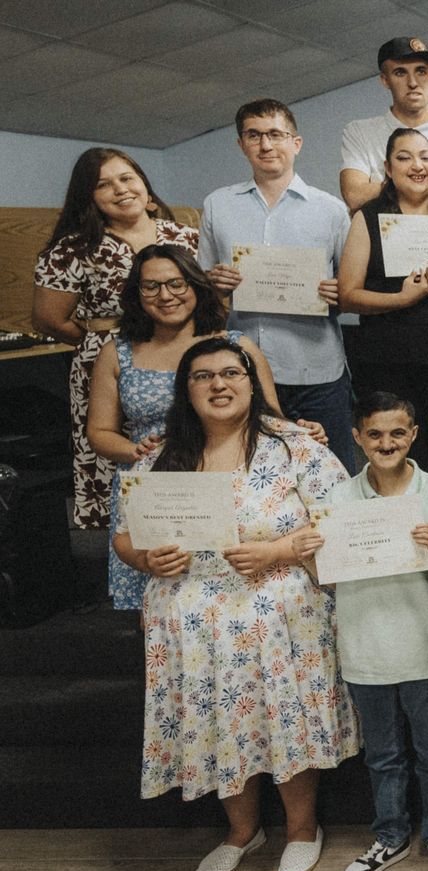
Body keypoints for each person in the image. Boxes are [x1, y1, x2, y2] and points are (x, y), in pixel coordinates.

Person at [112, 337, 355, 871]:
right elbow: (125, 539)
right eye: (202, 376)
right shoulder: (158, 455)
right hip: (191, 616)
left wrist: (276, 550)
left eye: (230, 373)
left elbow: (342, 523)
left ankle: (300, 829)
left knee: (284, 718)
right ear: (186, 390)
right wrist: (148, 558)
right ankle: (242, 832)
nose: (218, 385)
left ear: (252, 382)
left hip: (276, 607)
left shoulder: (296, 447)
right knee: (217, 720)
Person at [90, 246, 284, 611]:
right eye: (151, 287)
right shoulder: (117, 352)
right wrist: (134, 452)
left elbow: (271, 417)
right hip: (156, 485)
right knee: (160, 599)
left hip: (226, 477)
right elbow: (99, 431)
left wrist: (305, 433)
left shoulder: (235, 345)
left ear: (196, 286)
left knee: (232, 596)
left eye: (176, 283)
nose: (165, 296)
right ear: (137, 294)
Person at [325, 391, 428, 871]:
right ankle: (390, 834)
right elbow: (325, 574)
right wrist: (312, 552)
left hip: (423, 642)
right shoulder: (337, 500)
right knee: (382, 754)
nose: (387, 443)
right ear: (358, 438)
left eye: (397, 433)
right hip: (364, 646)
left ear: (414, 435)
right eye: (375, 434)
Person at [32, 146, 198, 529]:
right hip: (106, 361)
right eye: (104, 184)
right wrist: (103, 344)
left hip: (180, 356)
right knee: (119, 461)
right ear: (88, 196)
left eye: (127, 178)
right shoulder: (74, 247)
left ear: (144, 184)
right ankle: (127, 551)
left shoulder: (185, 236)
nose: (120, 189)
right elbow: (49, 318)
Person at [198, 98, 356, 467]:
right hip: (243, 371)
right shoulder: (218, 205)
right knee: (256, 476)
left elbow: (353, 290)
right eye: (254, 136)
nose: (266, 145)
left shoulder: (330, 209)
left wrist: (341, 294)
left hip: (317, 369)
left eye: (275, 134)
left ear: (295, 143)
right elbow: (201, 288)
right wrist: (212, 283)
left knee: (331, 471)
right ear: (241, 145)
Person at [337, 127, 428, 477]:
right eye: (404, 158)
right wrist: (402, 298)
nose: (417, 166)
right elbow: (348, 296)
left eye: (426, 157)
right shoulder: (368, 218)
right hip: (388, 363)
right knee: (394, 460)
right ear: (388, 169)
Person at [339, 37, 428, 212]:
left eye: (421, 71)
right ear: (385, 80)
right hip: (375, 238)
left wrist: (383, 186)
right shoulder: (360, 132)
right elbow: (355, 196)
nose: (412, 83)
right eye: (400, 73)